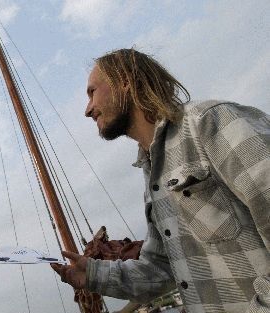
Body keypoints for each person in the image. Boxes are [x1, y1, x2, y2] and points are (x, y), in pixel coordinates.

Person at [52, 48, 270, 312]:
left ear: (125, 80)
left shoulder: (210, 122)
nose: (88, 110)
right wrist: (93, 275)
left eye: (92, 92)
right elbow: (162, 268)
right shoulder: (152, 172)